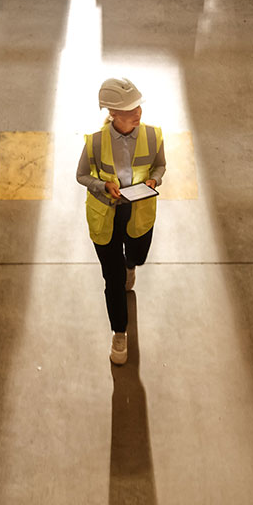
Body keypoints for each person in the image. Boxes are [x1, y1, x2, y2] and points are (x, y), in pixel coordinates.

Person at [76, 78, 167, 365]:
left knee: (137, 256)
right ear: (113, 114)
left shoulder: (153, 136)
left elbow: (160, 165)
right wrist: (101, 186)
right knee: (112, 280)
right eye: (128, 110)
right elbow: (81, 175)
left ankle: (131, 264)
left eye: (137, 107)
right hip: (106, 215)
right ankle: (119, 332)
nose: (137, 113)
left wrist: (155, 179)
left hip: (139, 211)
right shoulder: (96, 142)